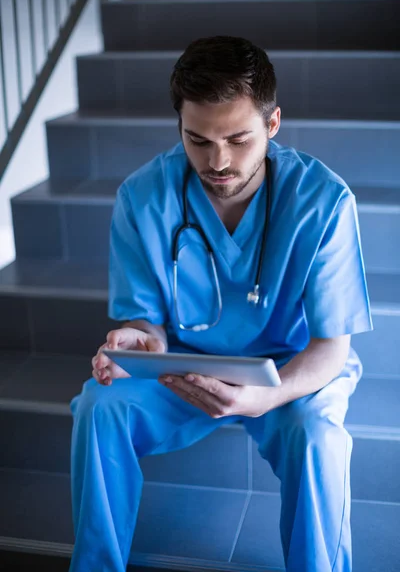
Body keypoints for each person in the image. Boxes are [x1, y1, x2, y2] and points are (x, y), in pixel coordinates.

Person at [69, 36, 373, 572]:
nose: (219, 161)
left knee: (319, 439)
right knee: (99, 405)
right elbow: (148, 320)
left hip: (289, 369)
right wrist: (143, 340)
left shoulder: (323, 202)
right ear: (180, 129)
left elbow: (330, 349)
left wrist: (262, 399)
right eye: (198, 141)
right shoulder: (143, 196)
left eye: (238, 139)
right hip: (186, 366)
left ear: (273, 124)